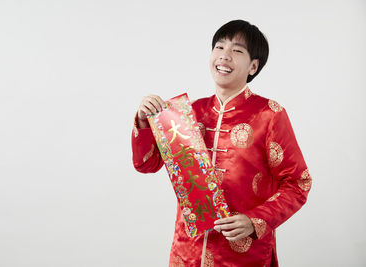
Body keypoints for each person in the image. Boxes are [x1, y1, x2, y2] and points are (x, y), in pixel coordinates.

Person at [131, 19, 312, 267]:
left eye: (237, 51)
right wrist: (143, 122)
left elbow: (298, 182)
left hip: (244, 254)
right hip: (188, 252)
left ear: (253, 66)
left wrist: (255, 220)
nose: (224, 56)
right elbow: (146, 164)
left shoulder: (270, 114)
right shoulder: (187, 114)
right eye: (219, 47)